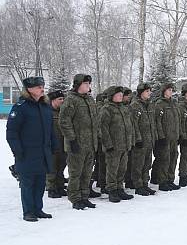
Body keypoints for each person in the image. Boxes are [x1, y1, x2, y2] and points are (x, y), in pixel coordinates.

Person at [6, 76, 56, 221]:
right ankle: (28, 211)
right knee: (27, 184)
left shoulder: (45, 106)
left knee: (40, 182)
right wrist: (18, 151)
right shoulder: (20, 107)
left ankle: (38, 209)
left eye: (42, 86)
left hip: (43, 152)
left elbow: (50, 129)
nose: (42, 89)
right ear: (29, 89)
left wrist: (54, 145)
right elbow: (11, 132)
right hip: (26, 153)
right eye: (38, 87)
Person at [59, 74, 99, 210]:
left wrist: (96, 139)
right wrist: (72, 139)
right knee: (76, 173)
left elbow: (95, 121)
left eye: (89, 84)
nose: (88, 86)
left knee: (87, 172)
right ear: (78, 85)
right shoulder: (71, 100)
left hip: (90, 144)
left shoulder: (89, 100)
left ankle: (84, 196)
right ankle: (75, 198)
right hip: (77, 144)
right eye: (85, 84)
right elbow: (64, 122)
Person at [99, 86, 138, 203]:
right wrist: (108, 144)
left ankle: (120, 188)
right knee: (112, 169)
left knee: (122, 169)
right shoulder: (106, 109)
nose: (121, 96)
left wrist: (130, 141)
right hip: (113, 146)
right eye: (118, 94)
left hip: (124, 145)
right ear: (112, 96)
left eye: (121, 94)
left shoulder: (124, 108)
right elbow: (102, 128)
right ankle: (112, 190)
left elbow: (129, 126)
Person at [152, 83, 181, 191]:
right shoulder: (160, 104)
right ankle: (162, 181)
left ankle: (170, 179)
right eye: (168, 90)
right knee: (164, 159)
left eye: (171, 90)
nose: (170, 92)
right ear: (164, 91)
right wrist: (160, 136)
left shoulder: (174, 103)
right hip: (165, 137)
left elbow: (178, 120)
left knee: (173, 158)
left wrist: (179, 134)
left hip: (174, 137)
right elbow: (157, 122)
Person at [129, 82, 157, 196]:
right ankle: (138, 185)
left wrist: (154, 137)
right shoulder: (135, 106)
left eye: (149, 91)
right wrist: (138, 139)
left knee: (147, 163)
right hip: (140, 141)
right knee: (138, 164)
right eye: (147, 91)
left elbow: (152, 123)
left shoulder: (150, 105)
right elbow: (133, 124)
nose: (149, 93)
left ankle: (145, 183)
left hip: (149, 140)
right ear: (141, 93)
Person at [46, 89, 68, 198]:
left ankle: (60, 186)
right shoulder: (47, 112)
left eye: (63, 99)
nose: (62, 101)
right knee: (52, 168)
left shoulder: (63, 112)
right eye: (60, 99)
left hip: (63, 143)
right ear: (53, 100)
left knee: (61, 166)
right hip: (51, 145)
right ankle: (51, 188)